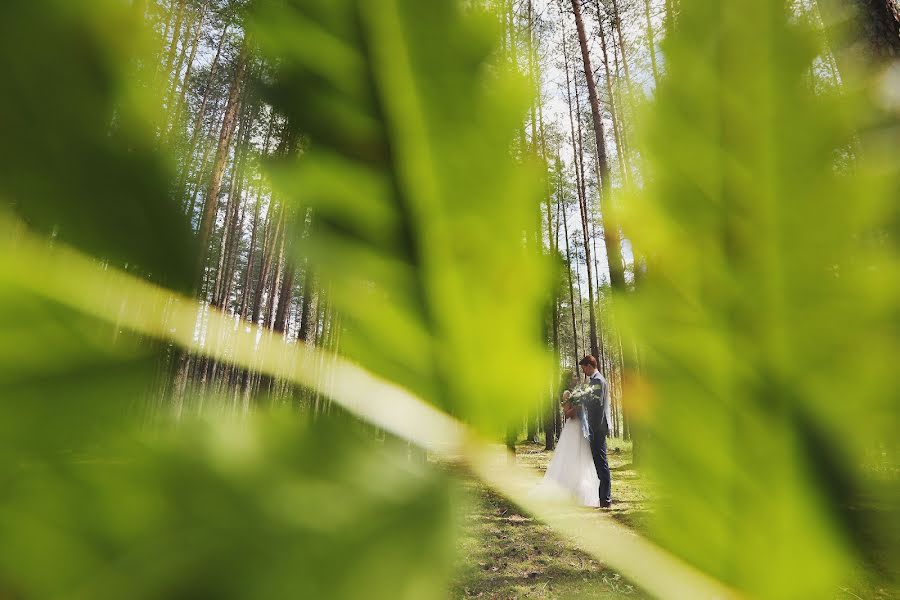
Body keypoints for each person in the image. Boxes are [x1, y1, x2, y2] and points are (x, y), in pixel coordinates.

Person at [532, 371, 600, 507]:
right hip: (572, 428)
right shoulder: (567, 393)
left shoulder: (577, 392)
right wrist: (576, 406)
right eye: (574, 377)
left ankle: (579, 490)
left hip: (581, 428)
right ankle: (566, 490)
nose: (577, 378)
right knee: (570, 458)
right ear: (569, 380)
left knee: (582, 458)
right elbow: (567, 415)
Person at [579, 355, 613, 507]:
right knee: (600, 462)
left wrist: (582, 398)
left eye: (584, 367)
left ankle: (605, 499)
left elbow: (597, 404)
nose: (583, 371)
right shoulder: (596, 380)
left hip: (598, 427)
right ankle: (604, 498)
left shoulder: (597, 380)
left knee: (601, 462)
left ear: (589, 365)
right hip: (598, 426)